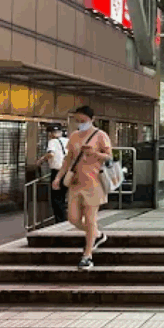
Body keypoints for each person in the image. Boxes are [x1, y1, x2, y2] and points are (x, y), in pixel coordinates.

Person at [52, 106, 112, 271]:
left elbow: (109, 157)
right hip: (76, 182)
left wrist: (94, 153)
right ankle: (97, 235)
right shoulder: (74, 136)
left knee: (91, 219)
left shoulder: (100, 135)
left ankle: (87, 255)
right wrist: (58, 177)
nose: (80, 123)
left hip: (94, 183)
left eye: (83, 120)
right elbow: (68, 159)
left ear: (92, 119)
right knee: (73, 218)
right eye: (77, 120)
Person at [37, 125, 69, 223]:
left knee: (56, 198)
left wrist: (41, 160)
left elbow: (51, 154)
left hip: (57, 172)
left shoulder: (52, 142)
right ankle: (65, 219)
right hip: (68, 172)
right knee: (63, 196)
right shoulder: (67, 140)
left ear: (50, 134)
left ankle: (60, 220)